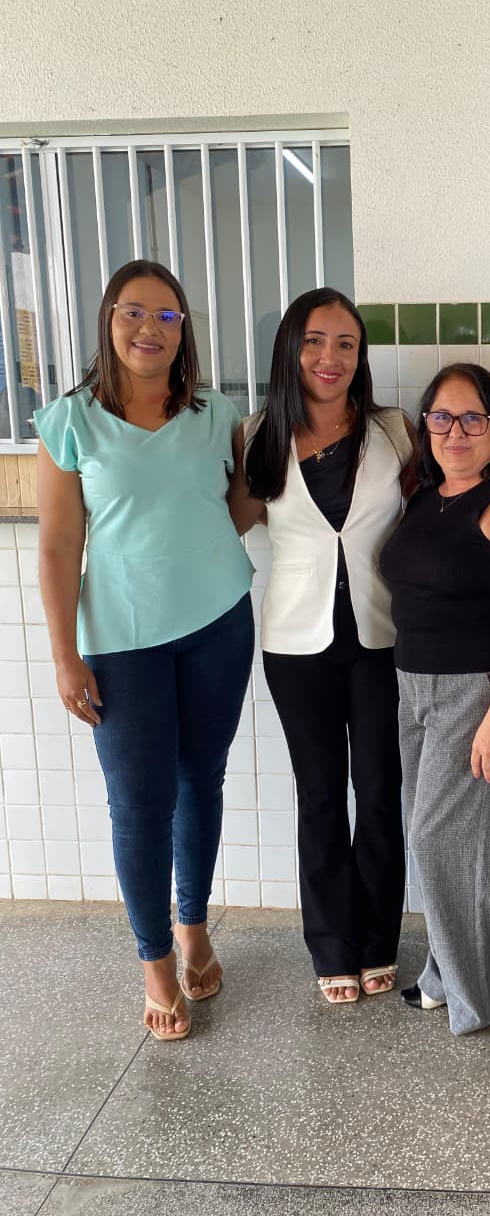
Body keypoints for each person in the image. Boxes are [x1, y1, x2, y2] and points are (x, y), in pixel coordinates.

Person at [35, 259, 254, 1041]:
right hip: (120, 641)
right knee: (139, 803)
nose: (149, 329)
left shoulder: (216, 413)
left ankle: (193, 926)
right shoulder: (71, 421)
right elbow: (59, 545)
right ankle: (155, 960)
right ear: (108, 320)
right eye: (133, 312)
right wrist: (65, 655)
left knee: (202, 781)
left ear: (184, 329)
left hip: (219, 622)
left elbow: (241, 504)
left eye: (166, 316)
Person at [229, 289, 413, 1003]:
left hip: (382, 636)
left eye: (345, 343)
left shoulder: (393, 431)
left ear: (360, 355)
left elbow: (433, 515)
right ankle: (331, 946)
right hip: (294, 643)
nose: (329, 357)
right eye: (314, 341)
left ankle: (377, 940)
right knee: (320, 794)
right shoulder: (257, 434)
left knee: (380, 790)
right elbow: (233, 521)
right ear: (290, 349)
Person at [379, 364, 490, 1034]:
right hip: (411, 687)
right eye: (442, 417)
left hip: (474, 692)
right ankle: (448, 972)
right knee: (439, 843)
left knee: (443, 842)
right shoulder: (425, 496)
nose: (456, 431)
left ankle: (484, 987)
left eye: (473, 418)